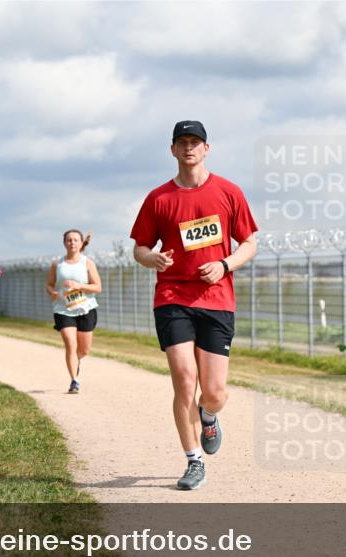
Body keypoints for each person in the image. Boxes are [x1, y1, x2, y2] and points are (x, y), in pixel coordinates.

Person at [130, 120, 258, 491]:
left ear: (206, 148)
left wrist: (224, 265)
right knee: (185, 380)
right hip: (172, 297)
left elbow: (249, 243)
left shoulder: (228, 192)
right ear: (173, 149)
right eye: (182, 142)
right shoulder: (159, 198)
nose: (189, 147)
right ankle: (193, 461)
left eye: (195, 142)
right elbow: (139, 247)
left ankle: (209, 415)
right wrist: (152, 258)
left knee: (215, 391)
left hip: (217, 299)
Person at [46, 230, 101, 394]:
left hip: (86, 309)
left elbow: (97, 287)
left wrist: (79, 286)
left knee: (84, 350)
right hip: (63, 310)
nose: (72, 243)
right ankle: (74, 381)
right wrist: (52, 292)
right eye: (69, 240)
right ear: (64, 243)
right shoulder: (57, 264)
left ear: (81, 243)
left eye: (76, 240)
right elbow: (49, 284)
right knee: (70, 343)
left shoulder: (87, 263)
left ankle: (76, 360)